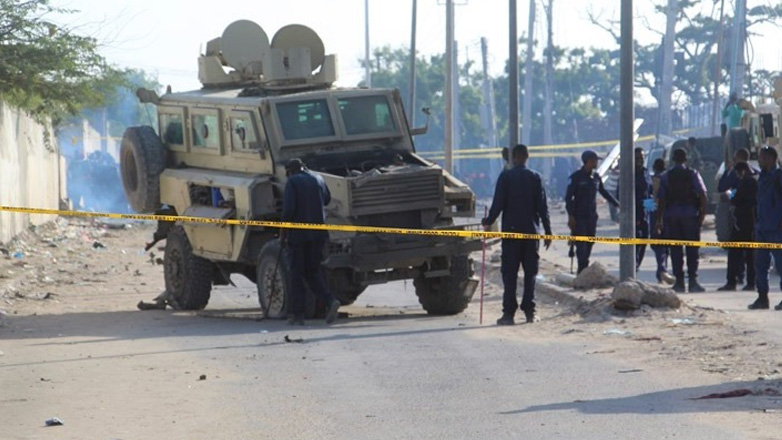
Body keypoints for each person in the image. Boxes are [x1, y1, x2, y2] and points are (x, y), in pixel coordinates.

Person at [483, 144, 552, 325]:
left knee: (510, 273)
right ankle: (530, 311)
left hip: (511, 233)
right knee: (530, 273)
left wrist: (488, 221)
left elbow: (498, 204)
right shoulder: (535, 177)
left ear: (513, 158)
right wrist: (548, 231)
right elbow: (543, 207)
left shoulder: (506, 177)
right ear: (527, 157)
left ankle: (508, 314)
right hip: (531, 232)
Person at [281, 158, 341, 325]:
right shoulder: (318, 178)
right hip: (318, 235)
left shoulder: (292, 182)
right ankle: (330, 300)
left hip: (298, 235)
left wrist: (282, 234)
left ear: (290, 171)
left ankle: (297, 315)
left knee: (296, 274)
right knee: (312, 272)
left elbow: (288, 211)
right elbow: (327, 199)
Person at [656, 148, 708, 293]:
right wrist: (702, 214)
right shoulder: (692, 174)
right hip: (690, 216)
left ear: (673, 159)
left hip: (672, 217)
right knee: (692, 250)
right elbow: (703, 194)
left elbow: (661, 199)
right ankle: (692, 282)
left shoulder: (667, 176)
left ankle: (679, 282)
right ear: (686, 159)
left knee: (676, 250)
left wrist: (659, 219)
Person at [565, 149, 619, 274]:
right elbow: (568, 198)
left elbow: (603, 192)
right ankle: (582, 267)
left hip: (591, 216)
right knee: (581, 243)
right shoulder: (576, 177)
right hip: (579, 216)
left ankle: (585, 264)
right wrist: (571, 216)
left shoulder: (595, 177)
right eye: (595, 160)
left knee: (590, 241)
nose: (597, 163)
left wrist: (616, 203)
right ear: (588, 161)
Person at [717, 148, 758, 291]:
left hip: (742, 222)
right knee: (750, 254)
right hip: (751, 222)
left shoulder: (744, 180)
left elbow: (728, 193)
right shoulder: (756, 176)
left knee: (736, 252)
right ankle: (749, 281)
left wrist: (729, 196)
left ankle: (732, 281)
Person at [748, 147, 782, 310]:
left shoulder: (779, 176)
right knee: (760, 264)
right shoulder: (762, 177)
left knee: (781, 264)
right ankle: (762, 297)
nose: (759, 161)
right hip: (762, 226)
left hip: (777, 227)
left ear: (770, 159)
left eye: (761, 158)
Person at [649, 158, 675, 284]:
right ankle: (662, 270)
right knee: (665, 245)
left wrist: (650, 211)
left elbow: (648, 200)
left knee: (657, 245)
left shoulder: (651, 180)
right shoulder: (668, 180)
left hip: (655, 215)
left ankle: (661, 270)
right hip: (668, 215)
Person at [632, 148, 652, 271]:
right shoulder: (629, 173)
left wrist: (650, 210)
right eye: (637, 158)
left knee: (644, 239)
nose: (640, 160)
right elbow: (620, 194)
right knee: (635, 241)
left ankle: (637, 265)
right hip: (633, 212)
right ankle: (632, 266)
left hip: (645, 212)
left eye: (642, 157)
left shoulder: (645, 172)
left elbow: (648, 192)